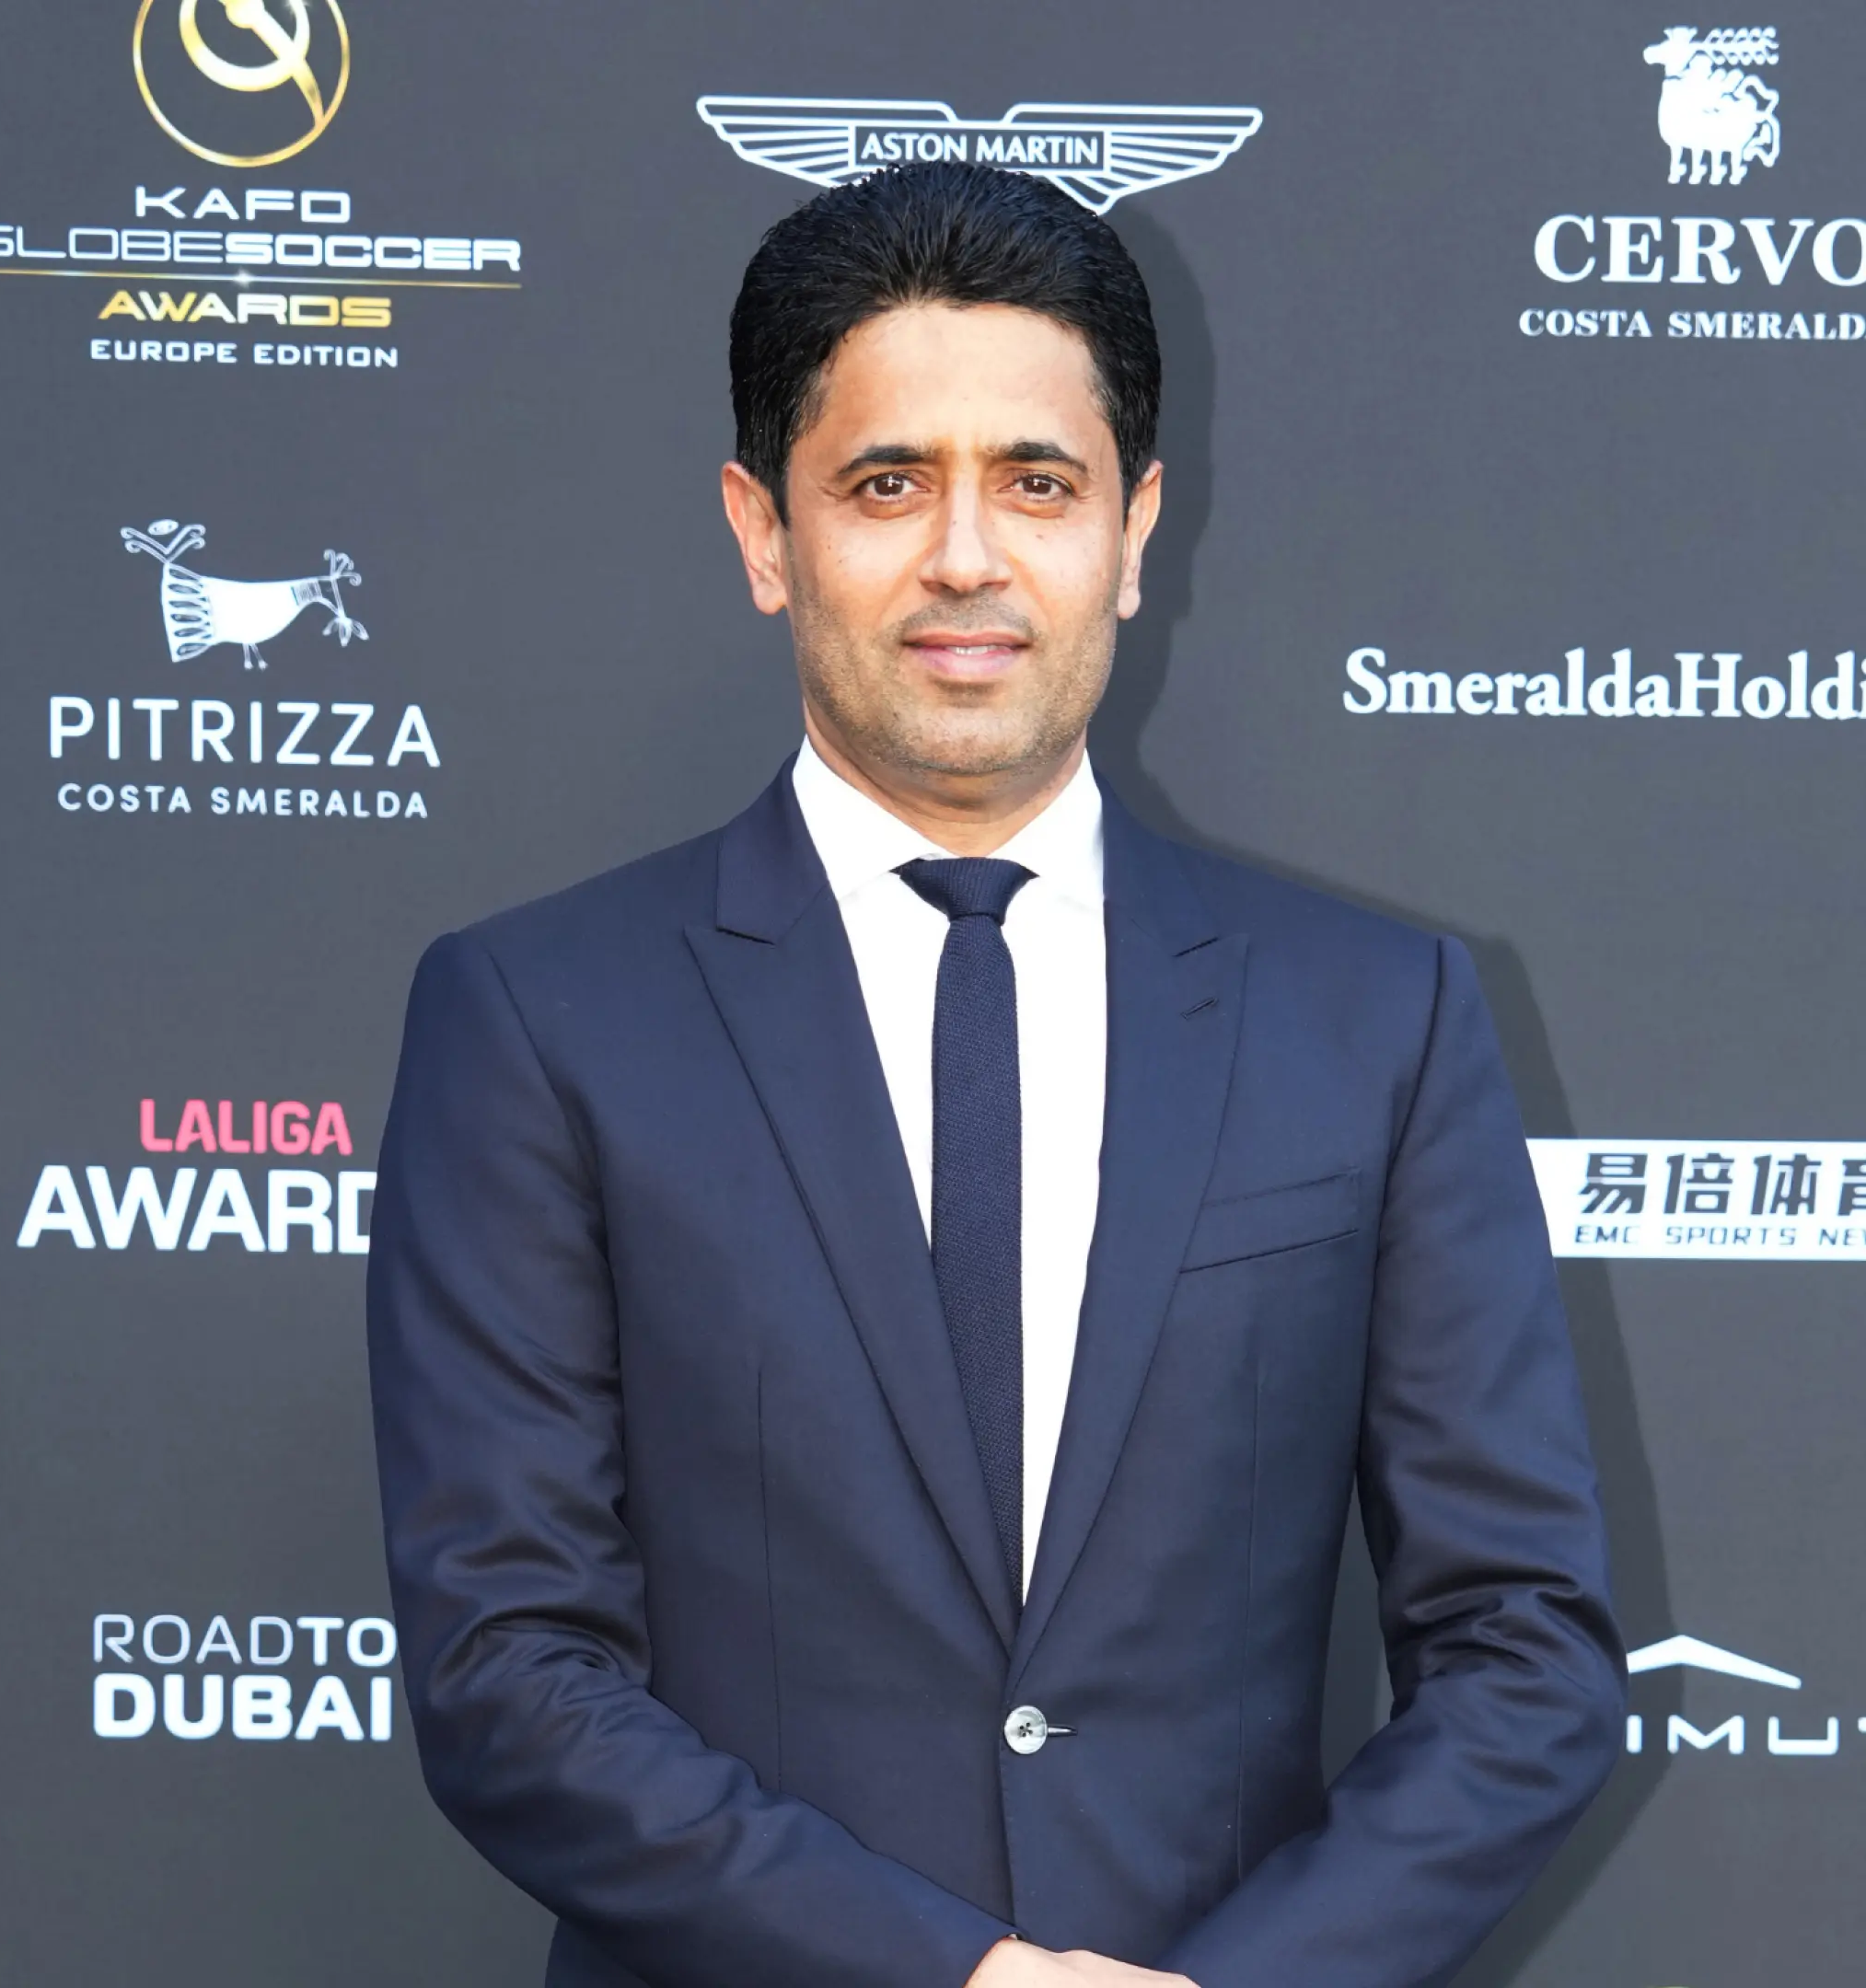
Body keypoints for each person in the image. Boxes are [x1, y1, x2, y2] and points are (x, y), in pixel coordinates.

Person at [367, 161, 1621, 1988]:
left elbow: (1523, 1652)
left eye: (1039, 482)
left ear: (1136, 528)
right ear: (763, 532)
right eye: (888, 484)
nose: (968, 555)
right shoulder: (539, 1019)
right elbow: (507, 1670)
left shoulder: (1379, 1017)